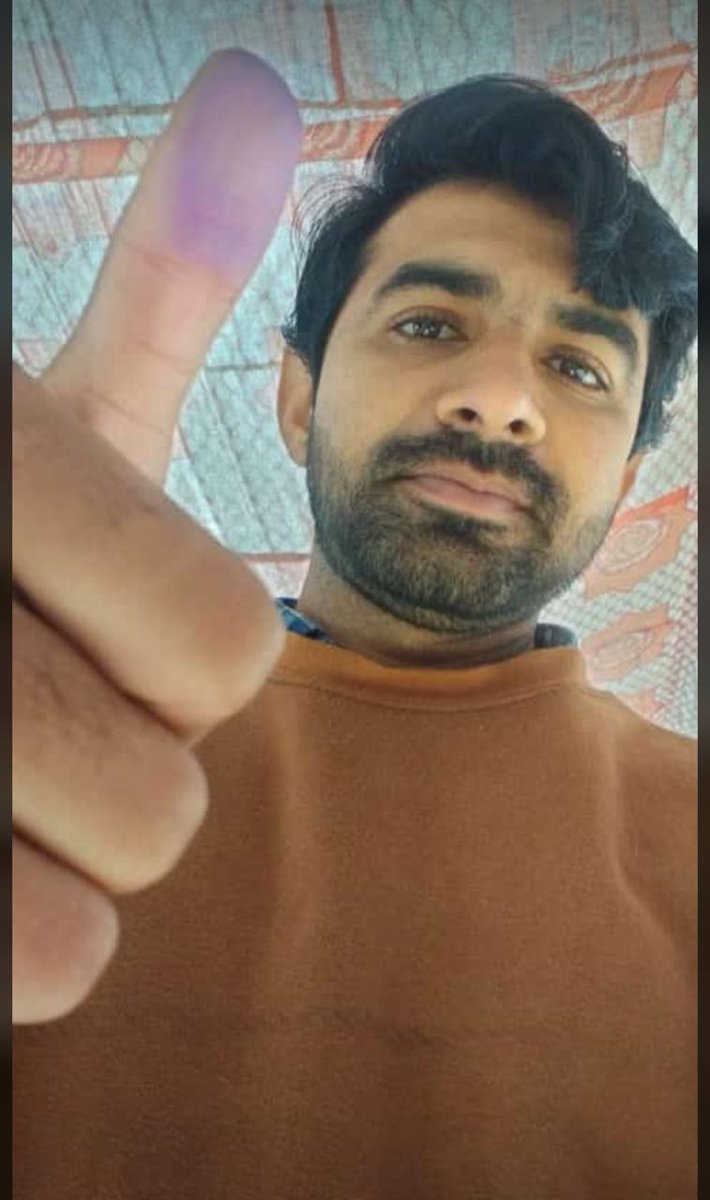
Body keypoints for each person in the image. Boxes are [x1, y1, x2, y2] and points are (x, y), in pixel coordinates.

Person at [13, 49, 697, 1200]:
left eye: (577, 366)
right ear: (295, 398)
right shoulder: (45, 746)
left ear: (623, 486)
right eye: (430, 325)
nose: (503, 400)